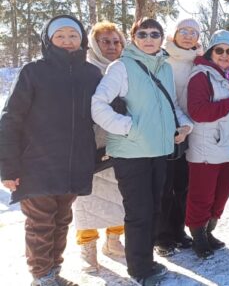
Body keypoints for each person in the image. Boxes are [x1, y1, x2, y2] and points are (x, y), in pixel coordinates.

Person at [0, 15, 101, 286]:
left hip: (73, 164)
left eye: (73, 35)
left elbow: (103, 110)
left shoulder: (90, 73)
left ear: (81, 38)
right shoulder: (33, 72)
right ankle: (41, 276)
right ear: (49, 39)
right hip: (36, 164)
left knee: (62, 220)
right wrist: (8, 168)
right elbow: (10, 119)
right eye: (60, 35)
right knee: (40, 225)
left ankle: (52, 272)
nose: (67, 41)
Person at [91, 17, 193, 285]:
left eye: (154, 34)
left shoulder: (165, 68)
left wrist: (183, 124)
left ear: (162, 38)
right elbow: (98, 104)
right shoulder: (121, 67)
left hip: (159, 150)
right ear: (134, 38)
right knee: (138, 212)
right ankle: (139, 270)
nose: (149, 39)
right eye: (143, 34)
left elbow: (171, 106)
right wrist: (128, 128)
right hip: (130, 153)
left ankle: (145, 260)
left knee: (155, 208)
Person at [74, 21, 127, 273]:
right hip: (89, 142)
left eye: (116, 41)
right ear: (94, 44)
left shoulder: (127, 69)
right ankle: (88, 246)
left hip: (121, 141)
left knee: (119, 193)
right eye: (105, 41)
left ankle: (113, 241)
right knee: (87, 197)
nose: (112, 46)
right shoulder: (84, 71)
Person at [185, 30, 229, 259]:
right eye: (219, 50)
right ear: (210, 52)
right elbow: (198, 112)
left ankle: (209, 232)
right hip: (206, 147)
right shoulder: (201, 76)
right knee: (202, 194)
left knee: (222, 193)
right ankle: (198, 236)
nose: (225, 55)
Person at [155, 18, 202, 256]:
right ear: (174, 35)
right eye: (183, 31)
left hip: (192, 129)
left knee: (184, 186)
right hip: (167, 130)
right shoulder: (162, 58)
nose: (187, 36)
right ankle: (161, 236)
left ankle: (178, 231)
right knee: (165, 186)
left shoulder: (200, 60)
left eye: (193, 32)